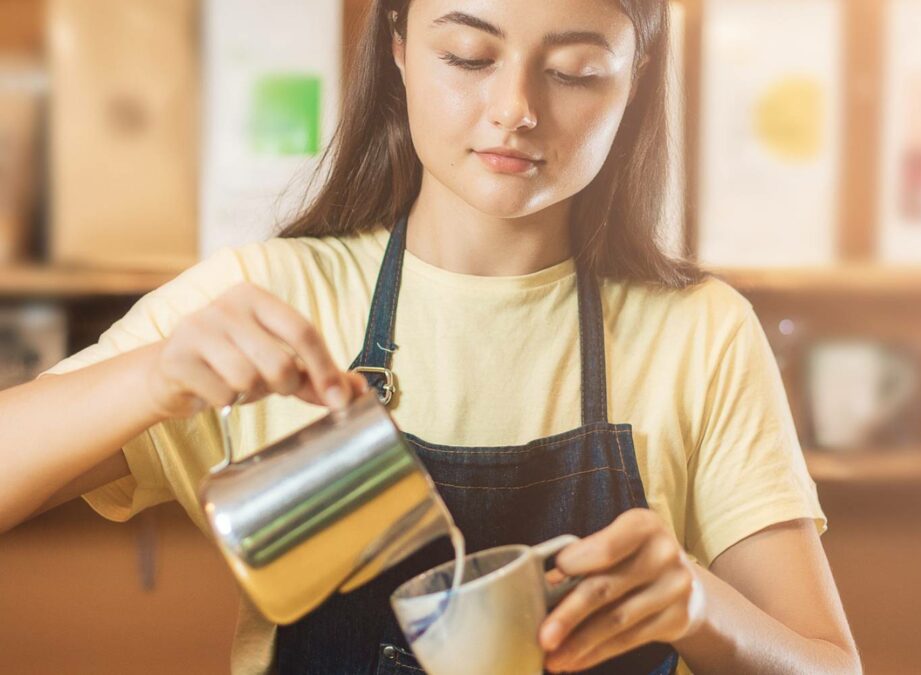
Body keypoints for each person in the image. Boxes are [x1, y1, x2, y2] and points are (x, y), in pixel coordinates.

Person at [0, 0, 860, 673]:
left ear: (636, 76)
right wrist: (152, 376)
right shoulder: (272, 295)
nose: (515, 109)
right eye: (469, 57)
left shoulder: (699, 333)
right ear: (400, 47)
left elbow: (828, 666)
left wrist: (701, 608)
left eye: (574, 70)